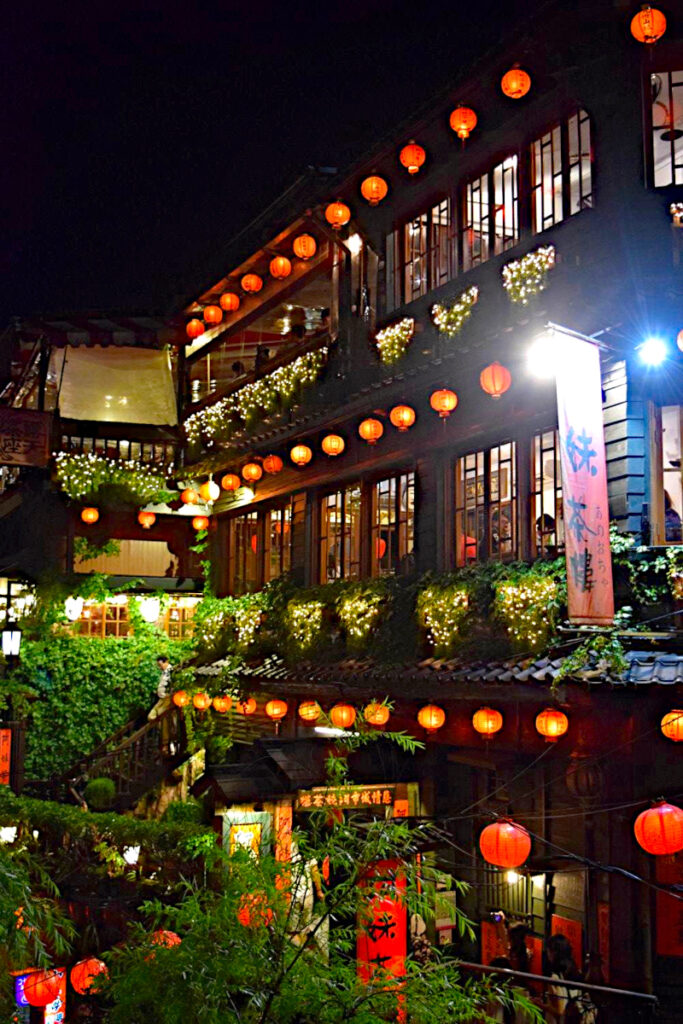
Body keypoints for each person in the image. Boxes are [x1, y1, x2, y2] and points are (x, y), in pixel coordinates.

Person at [544, 933, 597, 1024]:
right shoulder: (576, 971)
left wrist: (539, 1005)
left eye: (548, 951)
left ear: (554, 952)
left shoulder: (555, 977)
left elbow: (560, 1011)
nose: (547, 954)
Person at [148, 655, 174, 756]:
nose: (160, 667)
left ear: (166, 662)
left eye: (160, 664)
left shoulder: (171, 671)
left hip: (167, 698)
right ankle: (161, 730)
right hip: (161, 699)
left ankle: (165, 743)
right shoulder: (164, 673)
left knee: (162, 715)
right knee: (151, 716)